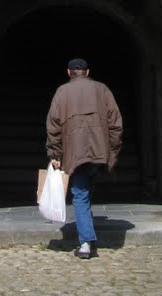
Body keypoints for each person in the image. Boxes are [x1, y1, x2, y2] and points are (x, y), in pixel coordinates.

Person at [45, 57, 123, 259]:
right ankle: (88, 236)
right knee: (84, 193)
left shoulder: (62, 92)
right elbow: (116, 123)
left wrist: (55, 152)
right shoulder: (102, 89)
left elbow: (53, 124)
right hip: (99, 152)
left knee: (79, 195)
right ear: (87, 72)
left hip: (75, 152)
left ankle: (86, 243)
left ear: (69, 72)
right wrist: (112, 151)